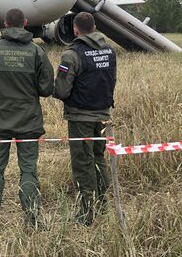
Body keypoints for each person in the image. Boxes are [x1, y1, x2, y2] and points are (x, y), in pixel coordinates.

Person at [0, 8, 54, 234]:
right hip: (28, 122)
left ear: (5, 23)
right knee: (28, 171)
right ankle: (32, 218)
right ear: (26, 23)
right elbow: (47, 89)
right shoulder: (37, 52)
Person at [53, 12, 116, 226]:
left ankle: (86, 212)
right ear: (95, 26)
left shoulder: (72, 54)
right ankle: (104, 204)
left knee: (82, 162)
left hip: (80, 117)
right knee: (99, 159)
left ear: (75, 30)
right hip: (104, 115)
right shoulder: (109, 51)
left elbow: (62, 90)